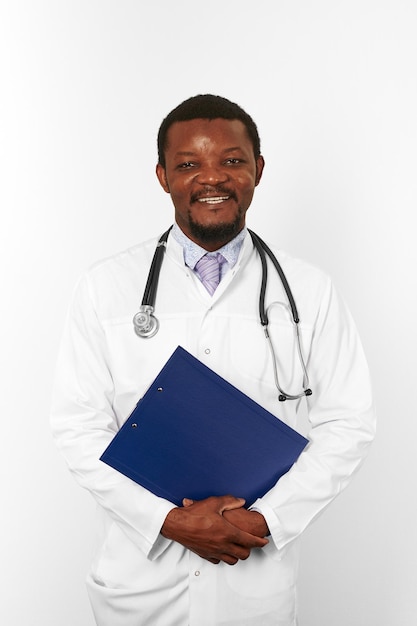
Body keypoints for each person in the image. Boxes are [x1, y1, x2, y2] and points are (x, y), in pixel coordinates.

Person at [51, 94, 375, 626]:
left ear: (257, 170)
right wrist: (167, 521)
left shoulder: (309, 291)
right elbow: (77, 428)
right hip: (140, 584)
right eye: (188, 164)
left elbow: (349, 423)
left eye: (231, 160)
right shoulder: (106, 287)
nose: (212, 179)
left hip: (254, 578)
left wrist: (266, 520)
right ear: (162, 176)